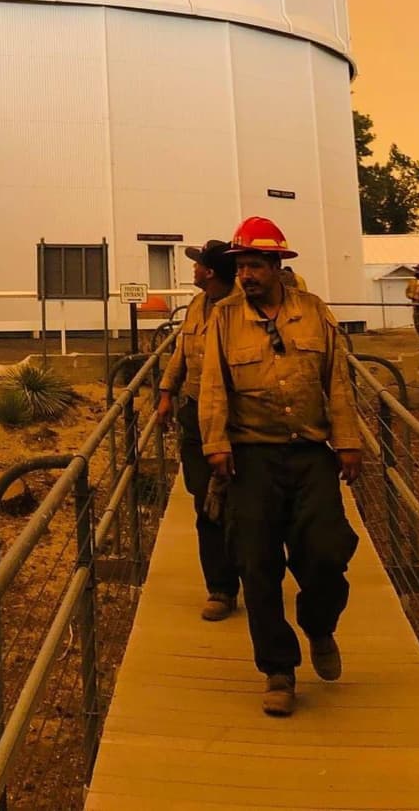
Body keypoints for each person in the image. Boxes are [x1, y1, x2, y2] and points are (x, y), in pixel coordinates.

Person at [199, 215, 363, 718]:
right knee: (257, 563)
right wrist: (215, 445)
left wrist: (349, 441)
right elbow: (212, 385)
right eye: (241, 266)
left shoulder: (314, 313)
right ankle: (278, 670)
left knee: (327, 553)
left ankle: (318, 624)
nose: (246, 274)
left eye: (254, 264)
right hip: (251, 456)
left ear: (276, 265)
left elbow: (337, 378)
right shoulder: (224, 319)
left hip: (311, 453)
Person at [157, 241, 240, 621]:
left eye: (197, 264)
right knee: (204, 502)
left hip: (236, 419)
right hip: (194, 415)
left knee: (246, 504)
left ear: (209, 271)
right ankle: (220, 588)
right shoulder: (196, 304)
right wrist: (165, 392)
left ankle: (255, 577)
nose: (191, 269)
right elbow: (181, 351)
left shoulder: (243, 307)